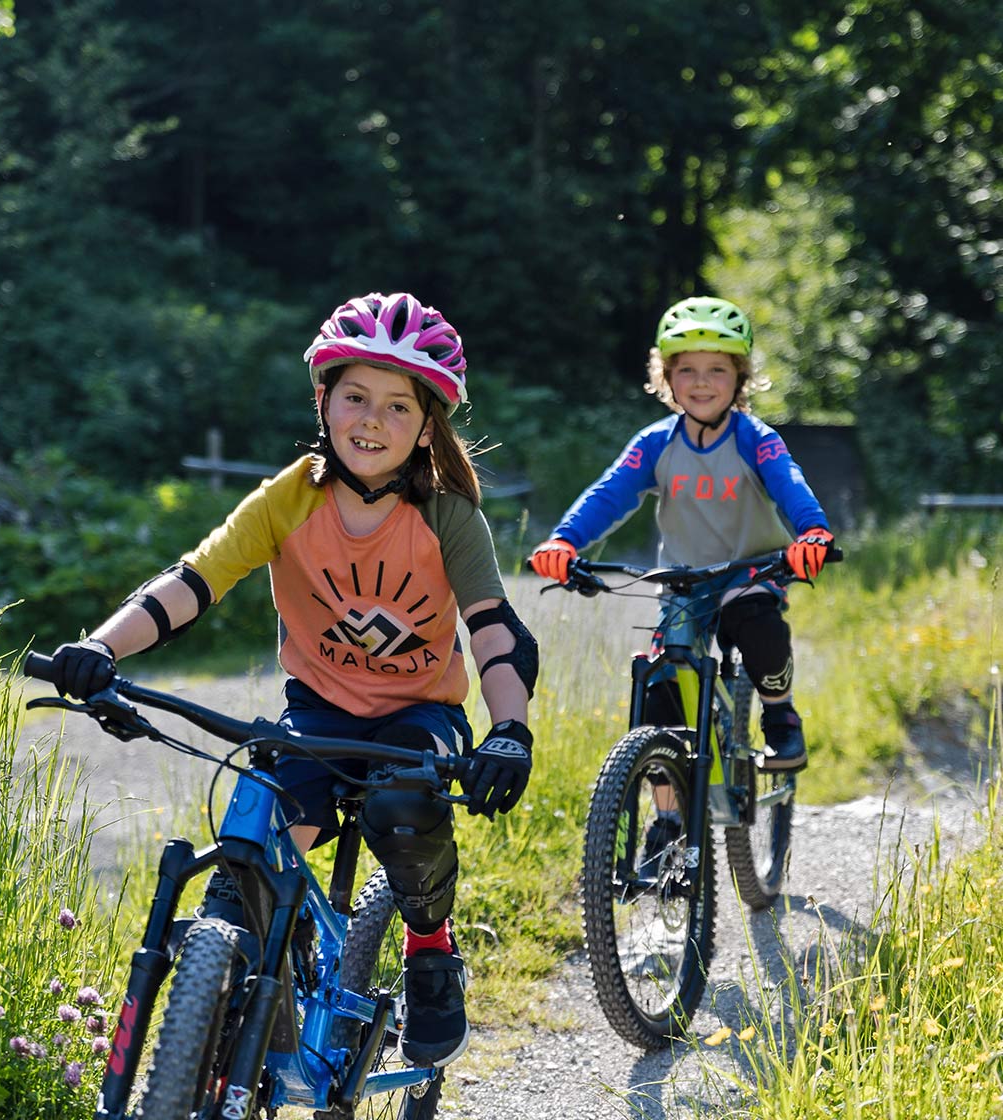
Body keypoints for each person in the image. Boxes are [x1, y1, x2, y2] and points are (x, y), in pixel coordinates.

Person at [47, 292, 537, 1069]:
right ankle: (212, 1039)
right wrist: (99, 649)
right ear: (323, 399)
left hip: (418, 717)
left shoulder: (449, 516)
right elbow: (193, 581)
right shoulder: (290, 498)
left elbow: (496, 634)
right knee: (249, 857)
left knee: (405, 811)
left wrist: (509, 730)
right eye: (355, 398)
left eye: (397, 406)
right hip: (316, 712)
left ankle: (430, 946)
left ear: (426, 425)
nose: (371, 421)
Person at [529, 295, 833, 797]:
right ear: (666, 378)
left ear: (740, 377)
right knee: (660, 692)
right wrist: (564, 542)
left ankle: (780, 716)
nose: (701, 382)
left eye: (717, 369)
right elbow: (608, 495)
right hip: (684, 582)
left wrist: (812, 532)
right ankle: (668, 820)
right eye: (686, 369)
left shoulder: (756, 438)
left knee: (756, 624)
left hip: (751, 572)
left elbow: (790, 483)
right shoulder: (654, 442)